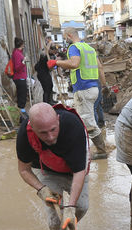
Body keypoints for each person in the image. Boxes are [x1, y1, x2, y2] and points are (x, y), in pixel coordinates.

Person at [17, 102, 89, 230]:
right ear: (32, 127)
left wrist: (70, 207)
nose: (49, 137)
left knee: (81, 207)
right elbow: (24, 170)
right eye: (43, 132)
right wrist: (42, 190)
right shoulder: (24, 137)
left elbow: (79, 171)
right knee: (55, 220)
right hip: (47, 170)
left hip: (75, 169)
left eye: (53, 129)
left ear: (58, 119)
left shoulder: (73, 126)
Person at [47, 27, 109, 160]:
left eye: (65, 38)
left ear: (69, 36)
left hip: (83, 88)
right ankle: (85, 146)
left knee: (87, 122)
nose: (65, 40)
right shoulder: (89, 48)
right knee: (86, 118)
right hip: (93, 88)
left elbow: (74, 63)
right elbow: (100, 67)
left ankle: (101, 151)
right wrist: (104, 85)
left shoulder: (74, 48)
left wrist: (56, 62)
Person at [11, 37, 28, 118]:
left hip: (22, 76)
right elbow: (17, 67)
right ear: (21, 44)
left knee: (23, 94)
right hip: (19, 77)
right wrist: (23, 62)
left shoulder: (18, 52)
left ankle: (22, 112)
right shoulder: (17, 53)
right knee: (22, 95)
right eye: (23, 44)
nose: (24, 45)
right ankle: (22, 114)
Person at [35, 39, 55, 105]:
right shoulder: (44, 54)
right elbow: (46, 51)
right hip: (42, 74)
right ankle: (46, 103)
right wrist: (49, 44)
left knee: (50, 85)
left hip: (46, 73)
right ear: (49, 49)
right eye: (53, 50)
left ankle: (50, 100)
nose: (54, 52)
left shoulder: (51, 55)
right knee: (46, 88)